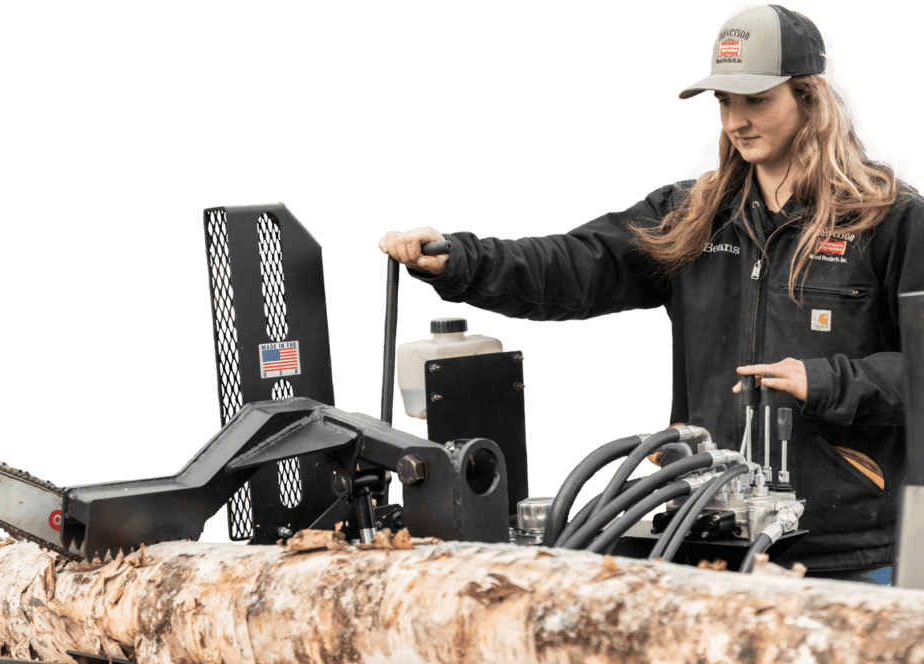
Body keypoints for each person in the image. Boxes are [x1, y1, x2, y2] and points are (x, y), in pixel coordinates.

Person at [376, 3, 923, 580]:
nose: (736, 120)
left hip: (846, 558)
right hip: (708, 541)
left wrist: (826, 380)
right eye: (725, 101)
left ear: (809, 100)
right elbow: (572, 265)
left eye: (756, 100)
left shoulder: (888, 222)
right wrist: (459, 260)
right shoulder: (694, 215)